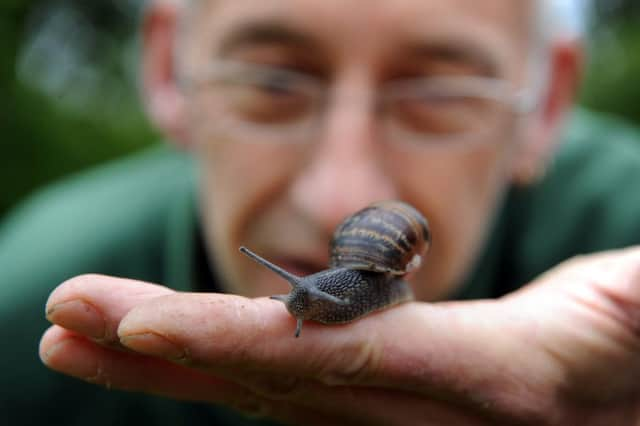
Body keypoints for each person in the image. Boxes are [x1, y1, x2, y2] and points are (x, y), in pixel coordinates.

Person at [1, 0, 640, 424]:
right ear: (170, 68)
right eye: (273, 81)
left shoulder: (621, 240)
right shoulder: (22, 306)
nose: (336, 194)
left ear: (547, 105)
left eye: (441, 92)